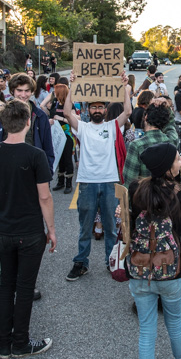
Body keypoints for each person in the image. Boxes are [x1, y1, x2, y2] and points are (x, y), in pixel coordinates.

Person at [0, 99, 56, 359]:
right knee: (25, 287)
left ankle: (3, 343)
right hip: (30, 232)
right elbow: (44, 197)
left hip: (4, 230)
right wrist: (51, 229)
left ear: (3, 124)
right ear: (29, 122)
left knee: (7, 286)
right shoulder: (35, 155)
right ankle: (21, 343)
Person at [125, 143, 181, 359]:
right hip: (172, 271)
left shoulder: (136, 189)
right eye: (178, 159)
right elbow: (179, 227)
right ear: (167, 167)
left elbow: (132, 221)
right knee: (174, 321)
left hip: (140, 270)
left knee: (146, 330)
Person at [63, 71, 132, 281]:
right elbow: (67, 112)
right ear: (88, 109)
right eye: (93, 107)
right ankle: (81, 263)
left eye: (100, 107)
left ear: (105, 109)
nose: (97, 110)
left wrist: (125, 87)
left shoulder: (112, 127)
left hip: (110, 183)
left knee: (111, 227)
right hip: (87, 184)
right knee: (85, 228)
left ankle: (112, 262)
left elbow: (127, 111)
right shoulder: (82, 127)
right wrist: (72, 86)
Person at [123, 105, 173, 188]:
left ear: (146, 117)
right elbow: (171, 126)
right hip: (167, 195)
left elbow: (130, 180)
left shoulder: (136, 145)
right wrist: (167, 106)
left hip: (145, 196)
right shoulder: (171, 141)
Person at [40, 84, 75, 194]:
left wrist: (59, 118)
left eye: (55, 91)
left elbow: (74, 120)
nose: (53, 93)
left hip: (67, 135)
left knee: (67, 159)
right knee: (59, 158)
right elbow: (42, 105)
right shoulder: (54, 103)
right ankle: (60, 182)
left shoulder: (69, 105)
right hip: (56, 134)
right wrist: (50, 119)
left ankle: (68, 183)